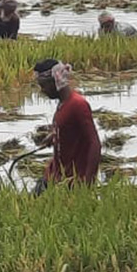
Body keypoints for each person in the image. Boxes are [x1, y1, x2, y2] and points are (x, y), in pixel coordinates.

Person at [32, 59, 102, 195]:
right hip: (54, 175)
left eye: (44, 86)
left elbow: (94, 144)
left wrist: (87, 184)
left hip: (71, 181)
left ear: (55, 81)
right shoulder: (63, 103)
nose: (43, 90)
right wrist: (55, 136)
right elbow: (69, 130)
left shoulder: (78, 105)